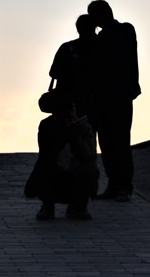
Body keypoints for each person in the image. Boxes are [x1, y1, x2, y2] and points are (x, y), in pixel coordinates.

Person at [87, 0, 140, 202]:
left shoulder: (124, 30)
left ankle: (124, 186)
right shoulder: (99, 38)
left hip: (119, 95)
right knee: (107, 143)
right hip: (102, 98)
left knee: (120, 142)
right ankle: (114, 184)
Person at [24, 90, 97, 221]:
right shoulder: (47, 126)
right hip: (55, 174)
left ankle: (78, 207)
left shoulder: (83, 127)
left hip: (76, 174)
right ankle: (48, 205)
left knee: (89, 171)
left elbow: (87, 156)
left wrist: (74, 135)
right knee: (45, 168)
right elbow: (47, 155)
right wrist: (62, 134)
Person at [49, 15, 97, 119]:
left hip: (68, 101)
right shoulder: (103, 47)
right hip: (96, 101)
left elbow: (54, 73)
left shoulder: (66, 47)